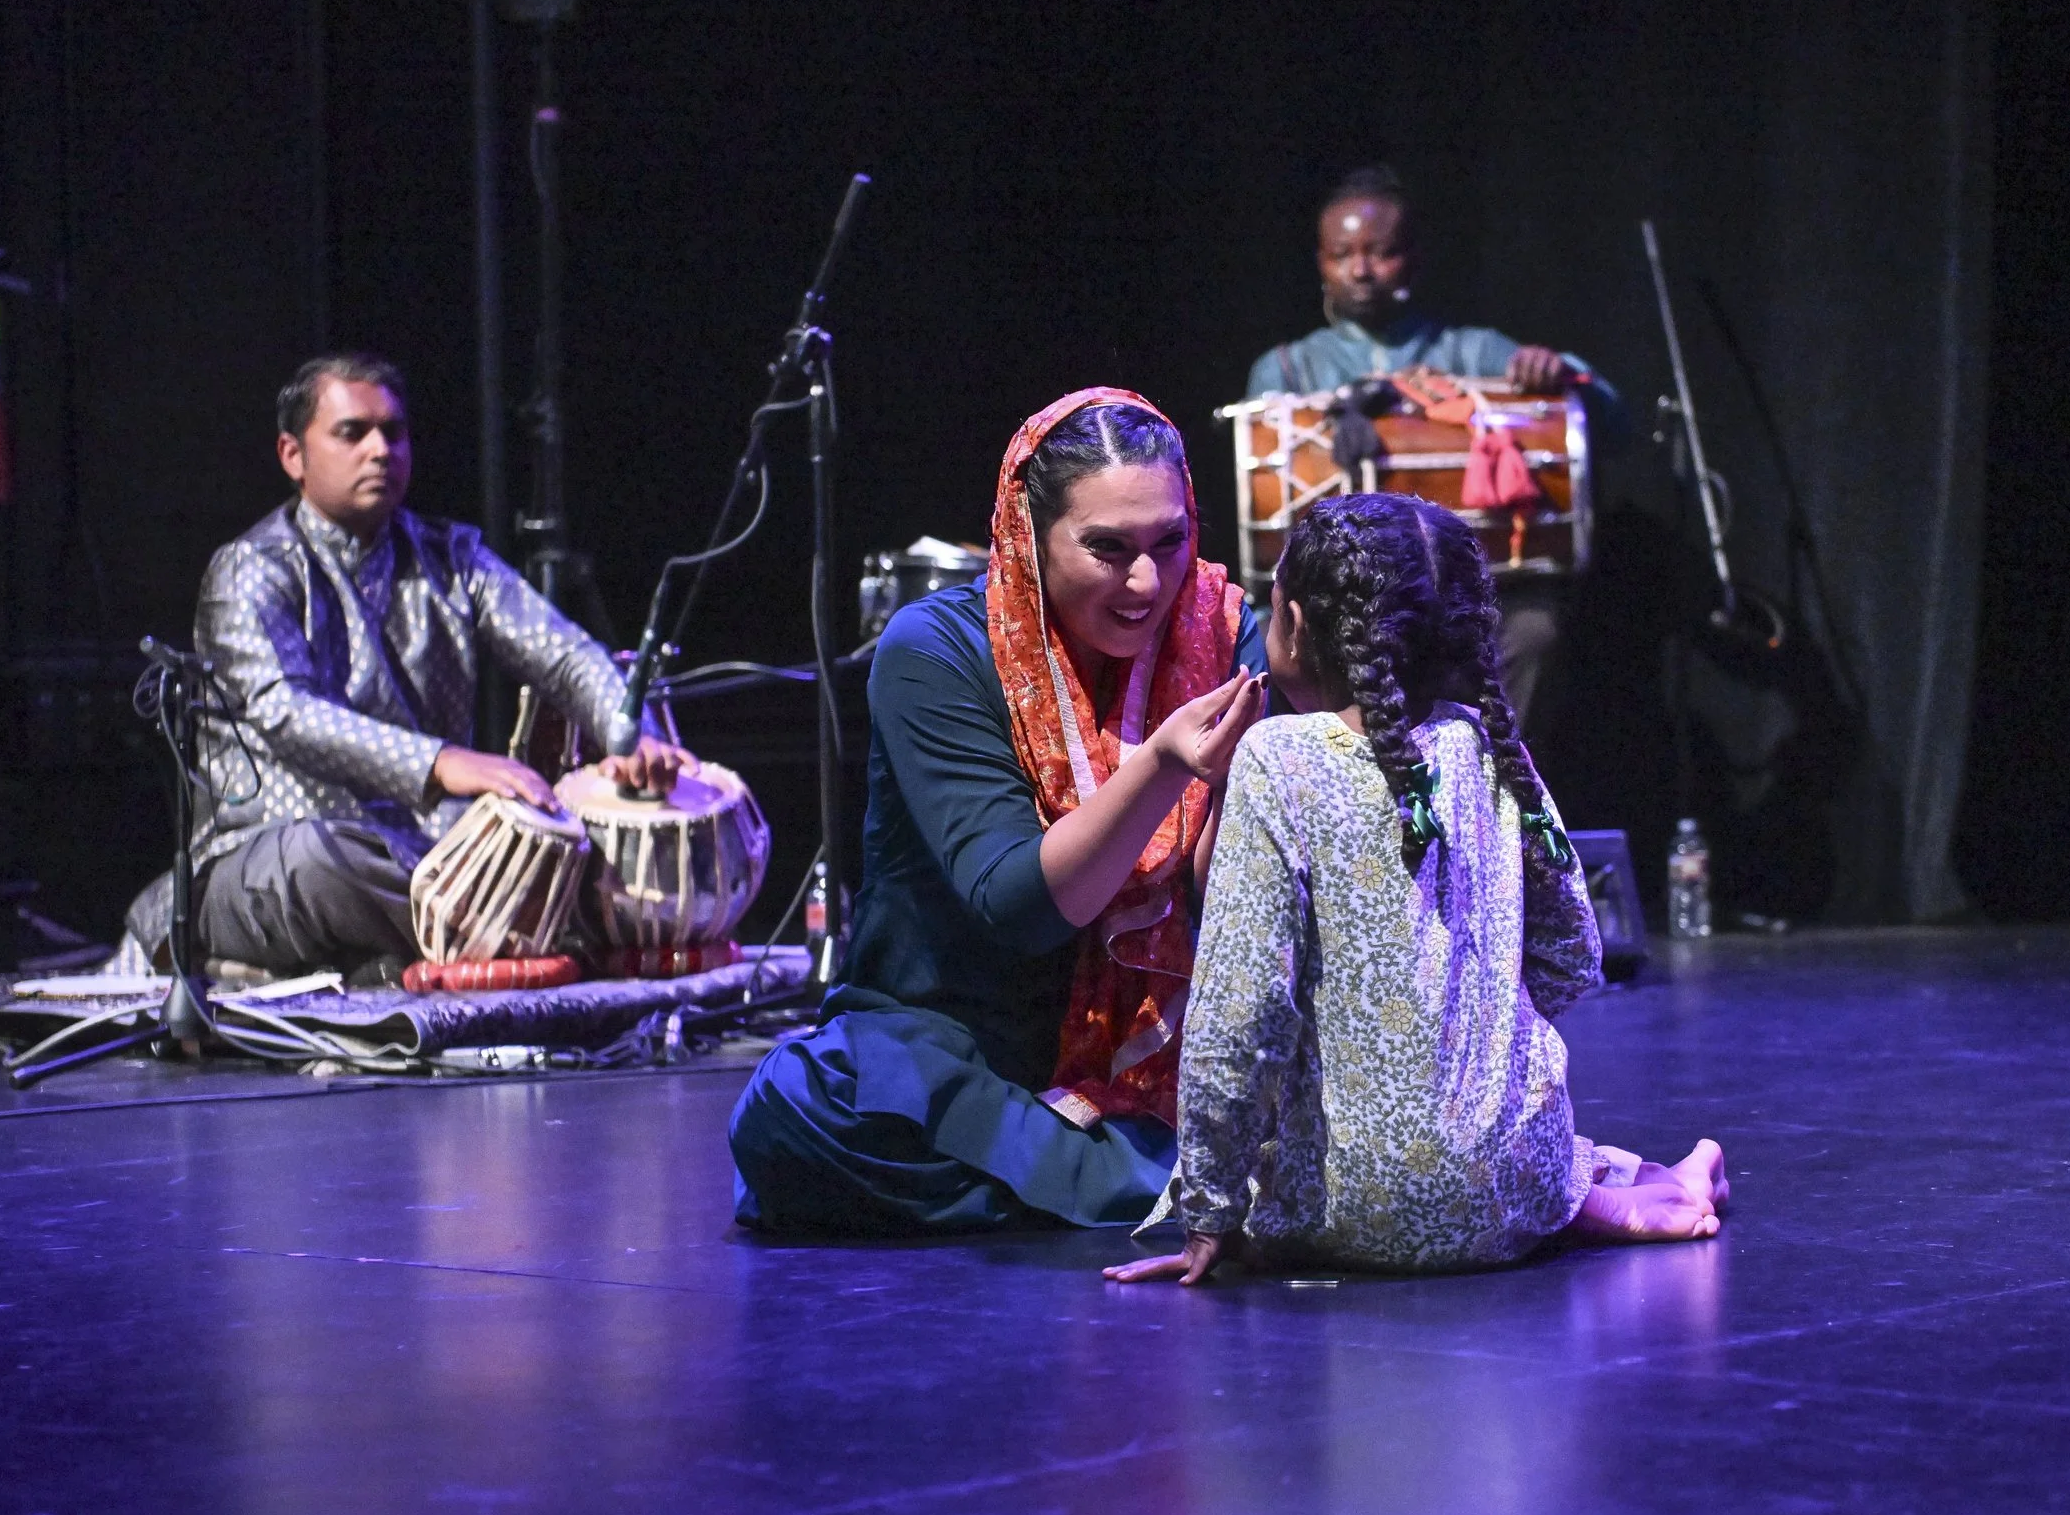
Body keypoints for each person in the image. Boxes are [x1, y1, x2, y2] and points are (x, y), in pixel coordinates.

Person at [1106, 494, 1726, 1284]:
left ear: (1293, 622)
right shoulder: (1490, 746)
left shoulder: (1276, 758)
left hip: (1337, 1214)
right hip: (1510, 1196)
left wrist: (1210, 1212)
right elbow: (1573, 955)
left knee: (1371, 1156)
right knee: (1502, 1148)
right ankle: (1598, 1191)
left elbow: (1241, 1013)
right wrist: (1471, 1035)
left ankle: (1599, 1189)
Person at [727, 389, 1271, 1234]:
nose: (1146, 582)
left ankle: (1102, 1177)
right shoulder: (936, 651)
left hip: (1168, 1051)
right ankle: (1155, 1181)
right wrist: (1164, 765)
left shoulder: (1223, 634)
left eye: (1170, 542)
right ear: (1028, 535)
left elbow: (1235, 898)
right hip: (969, 1042)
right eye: (1107, 548)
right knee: (800, 1103)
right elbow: (1020, 909)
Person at [119, 352, 687, 978]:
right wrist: (440, 763)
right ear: (293, 456)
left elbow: (565, 654)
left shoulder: (453, 559)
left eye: (393, 432)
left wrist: (633, 736)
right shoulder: (252, 569)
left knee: (560, 835)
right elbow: (285, 713)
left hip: (426, 850)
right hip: (267, 857)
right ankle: (512, 936)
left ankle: (423, 952)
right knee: (315, 860)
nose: (380, 450)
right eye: (352, 433)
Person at [1245, 164, 1623, 729]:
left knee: (1534, 629)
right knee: (1263, 629)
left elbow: (1615, 429)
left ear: (1414, 259)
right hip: (1340, 599)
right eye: (1342, 254)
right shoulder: (1287, 369)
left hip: (1463, 592)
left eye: (1381, 252)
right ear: (1320, 262)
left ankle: (1497, 775)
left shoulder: (1473, 352)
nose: (1361, 270)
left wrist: (1562, 372)